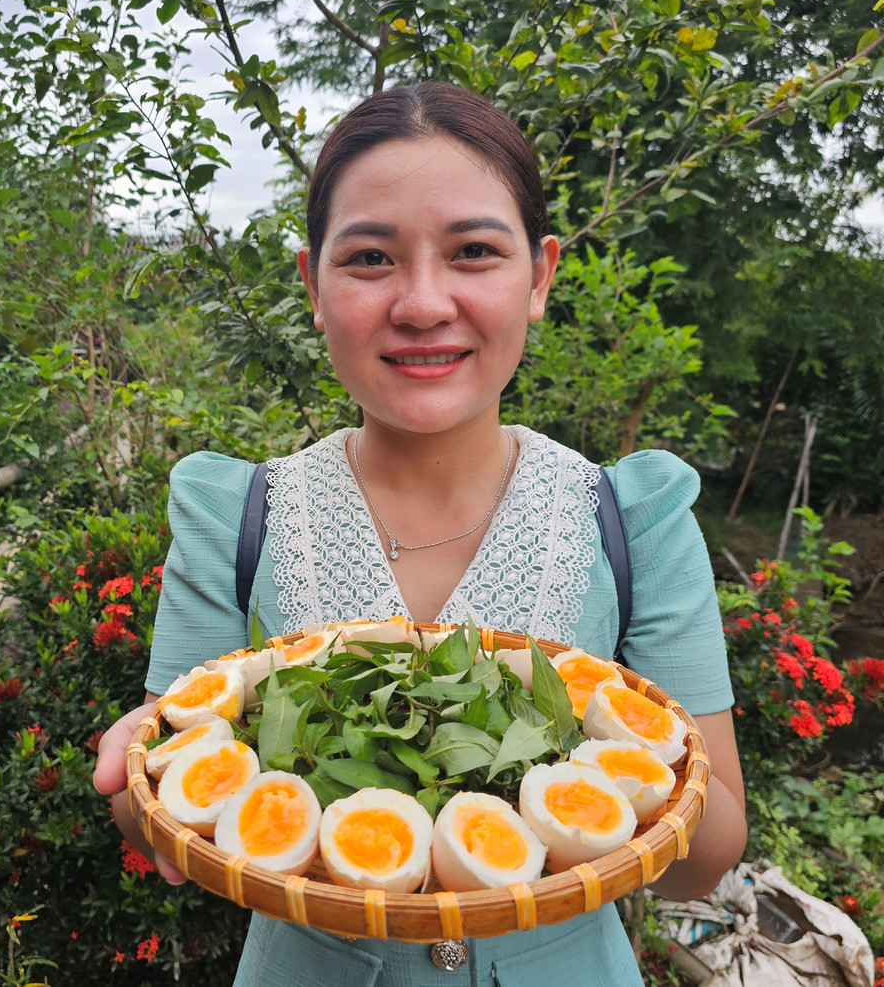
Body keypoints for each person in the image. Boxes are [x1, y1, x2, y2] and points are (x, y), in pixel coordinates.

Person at [93, 81, 747, 987]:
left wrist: (617, 778)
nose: (423, 302)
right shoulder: (232, 515)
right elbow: (158, 807)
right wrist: (138, 762)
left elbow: (708, 850)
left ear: (541, 277)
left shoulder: (634, 521)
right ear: (311, 284)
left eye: (475, 250)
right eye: (370, 258)